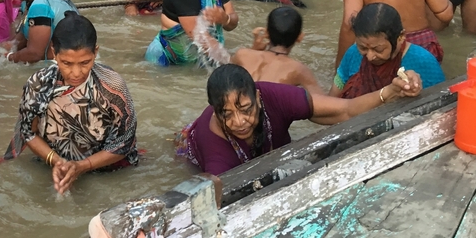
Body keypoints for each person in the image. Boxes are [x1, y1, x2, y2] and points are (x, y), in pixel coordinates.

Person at [178, 62, 423, 176]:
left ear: (259, 98)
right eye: (226, 114)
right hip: (189, 150)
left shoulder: (274, 96)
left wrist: (390, 92)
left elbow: (344, 110)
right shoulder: (215, 149)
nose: (239, 121)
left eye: (246, 109)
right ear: (216, 111)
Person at [4, 13, 137, 195]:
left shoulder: (112, 86)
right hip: (53, 163)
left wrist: (83, 166)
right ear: (53, 52)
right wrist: (57, 161)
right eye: (66, 63)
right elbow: (28, 132)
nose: (76, 73)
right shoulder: (39, 84)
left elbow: (124, 143)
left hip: (106, 170)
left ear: (95, 52)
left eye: (85, 62)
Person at [332, 3, 445, 97]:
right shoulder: (353, 53)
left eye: (379, 49)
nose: (370, 56)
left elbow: (441, 107)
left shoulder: (424, 62)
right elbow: (334, 98)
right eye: (363, 48)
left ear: (400, 37)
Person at [230, 7, 324, 96]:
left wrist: (254, 49)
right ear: (300, 37)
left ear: (266, 33)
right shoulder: (299, 69)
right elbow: (322, 101)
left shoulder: (242, 54)